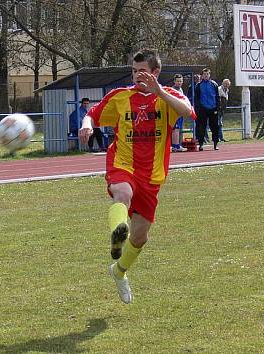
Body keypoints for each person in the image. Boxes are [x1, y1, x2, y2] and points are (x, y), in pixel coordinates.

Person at [78, 49, 194, 304]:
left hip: (152, 175)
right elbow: (93, 114)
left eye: (142, 71)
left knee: (140, 237)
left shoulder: (169, 96)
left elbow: (187, 112)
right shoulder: (120, 96)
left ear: (155, 72)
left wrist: (159, 92)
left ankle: (119, 271)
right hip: (123, 163)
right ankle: (118, 231)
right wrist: (87, 124)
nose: (137, 76)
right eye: (134, 71)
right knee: (123, 193)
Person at [194, 68, 220, 151]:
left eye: (207, 74)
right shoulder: (198, 85)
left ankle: (215, 143)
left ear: (210, 75)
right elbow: (196, 98)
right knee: (201, 127)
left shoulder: (214, 84)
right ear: (202, 75)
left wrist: (217, 108)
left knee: (215, 127)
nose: (206, 76)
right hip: (203, 109)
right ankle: (201, 144)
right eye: (204, 74)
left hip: (213, 109)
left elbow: (217, 97)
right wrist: (198, 108)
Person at [170, 74, 188, 152]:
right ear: (174, 81)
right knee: (175, 129)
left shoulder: (181, 89)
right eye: (177, 81)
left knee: (177, 129)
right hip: (174, 112)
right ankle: (176, 146)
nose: (179, 82)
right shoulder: (172, 89)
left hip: (179, 112)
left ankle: (175, 145)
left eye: (181, 81)